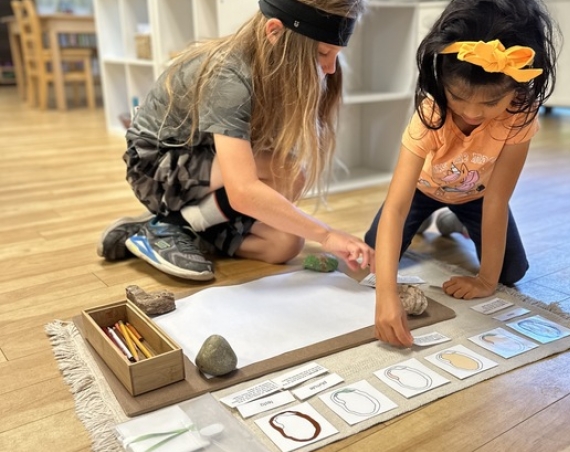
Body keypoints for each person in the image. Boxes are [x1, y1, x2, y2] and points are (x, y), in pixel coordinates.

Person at [97, 0, 374, 281]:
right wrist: (326, 235)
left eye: (336, 55)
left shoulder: (276, 68)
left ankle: (183, 225)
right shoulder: (228, 74)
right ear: (275, 32)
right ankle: (171, 223)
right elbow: (243, 190)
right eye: (322, 53)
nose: (329, 68)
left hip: (206, 163)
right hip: (156, 165)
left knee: (285, 245)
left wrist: (307, 230)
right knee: (287, 172)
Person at [364, 0, 558, 346]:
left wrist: (485, 281)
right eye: (459, 98)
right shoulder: (431, 113)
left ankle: (455, 222)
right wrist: (385, 295)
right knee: (374, 255)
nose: (471, 112)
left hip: (478, 195)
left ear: (518, 89)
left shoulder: (520, 113)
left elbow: (497, 199)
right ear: (441, 79)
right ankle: (432, 218)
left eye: (488, 104)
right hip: (423, 190)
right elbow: (396, 206)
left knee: (510, 273)